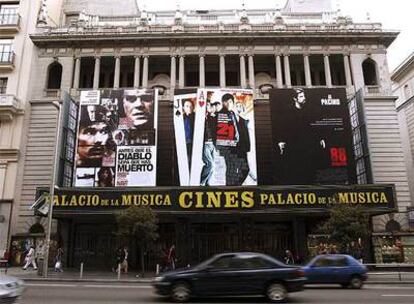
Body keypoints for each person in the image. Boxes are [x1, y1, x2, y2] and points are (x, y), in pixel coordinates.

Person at [273, 88, 326, 185]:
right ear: (295, 98)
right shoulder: (287, 111)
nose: (304, 98)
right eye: (301, 96)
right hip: (293, 146)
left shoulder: (309, 110)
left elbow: (314, 125)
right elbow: (281, 127)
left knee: (309, 170)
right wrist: (280, 141)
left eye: (304, 96)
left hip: (307, 146)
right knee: (295, 170)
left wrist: (321, 138)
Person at [200, 100, 218, 186]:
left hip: (212, 144)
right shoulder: (200, 118)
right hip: (205, 143)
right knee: (210, 164)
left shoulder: (212, 117)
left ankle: (207, 182)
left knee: (213, 166)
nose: (206, 107)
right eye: (205, 105)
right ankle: (202, 182)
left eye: (208, 105)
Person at [182, 99, 195, 166]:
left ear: (193, 107)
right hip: (183, 142)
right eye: (187, 106)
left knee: (192, 160)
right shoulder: (181, 117)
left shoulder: (196, 117)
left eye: (191, 106)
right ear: (183, 107)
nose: (189, 108)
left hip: (193, 142)